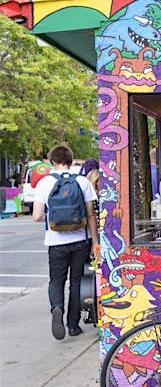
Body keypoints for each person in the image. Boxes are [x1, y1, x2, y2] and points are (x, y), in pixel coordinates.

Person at [32, 144, 99, 340]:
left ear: (53, 162)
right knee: (76, 281)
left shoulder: (45, 183)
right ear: (71, 161)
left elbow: (37, 216)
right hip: (80, 240)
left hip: (55, 242)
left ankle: (57, 308)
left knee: (57, 280)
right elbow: (90, 214)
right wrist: (95, 242)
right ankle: (73, 325)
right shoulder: (82, 181)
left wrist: (49, 214)